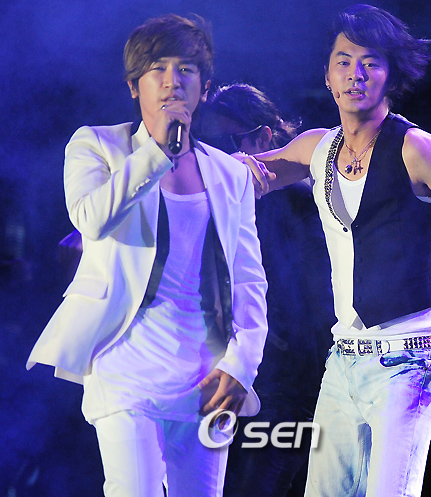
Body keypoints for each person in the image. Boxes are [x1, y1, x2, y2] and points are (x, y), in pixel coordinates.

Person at [241, 4, 431, 497]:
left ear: (391, 75)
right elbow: (245, 174)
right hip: (343, 361)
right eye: (344, 62)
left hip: (410, 362)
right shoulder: (316, 148)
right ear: (327, 76)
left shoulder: (417, 148)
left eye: (370, 62)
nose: (356, 74)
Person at [26, 14, 268, 497]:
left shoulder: (230, 174)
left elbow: (248, 279)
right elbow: (92, 219)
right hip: (124, 369)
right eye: (158, 68)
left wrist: (242, 364)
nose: (172, 81)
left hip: (204, 375)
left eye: (186, 70)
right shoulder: (97, 146)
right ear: (134, 86)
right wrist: (157, 149)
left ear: (204, 87)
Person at [197, 83, 334, 497]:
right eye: (209, 144)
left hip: (285, 383)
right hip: (224, 372)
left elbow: (316, 303)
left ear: (264, 138)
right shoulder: (207, 196)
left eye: (229, 143)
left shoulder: (302, 203)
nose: (218, 156)